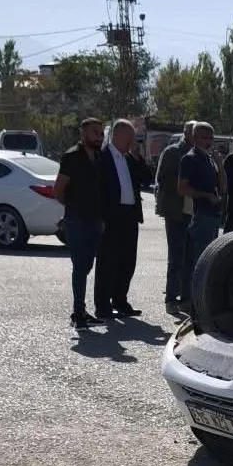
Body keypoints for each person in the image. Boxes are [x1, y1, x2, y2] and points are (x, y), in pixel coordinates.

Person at [53, 117, 106, 329]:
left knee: (86, 265)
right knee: (79, 265)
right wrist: (74, 207)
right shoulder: (71, 157)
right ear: (83, 134)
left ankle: (82, 311)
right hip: (76, 219)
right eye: (95, 132)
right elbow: (58, 191)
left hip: (96, 219)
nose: (99, 137)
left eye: (101, 133)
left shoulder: (100, 157)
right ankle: (78, 312)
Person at [93, 119, 149, 320]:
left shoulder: (129, 159)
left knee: (127, 261)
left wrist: (138, 157)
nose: (132, 142)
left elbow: (147, 178)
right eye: (129, 137)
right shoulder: (103, 157)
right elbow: (97, 190)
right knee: (107, 262)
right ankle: (102, 305)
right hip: (111, 216)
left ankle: (120, 300)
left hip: (130, 216)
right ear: (117, 135)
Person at [155, 121, 196, 315]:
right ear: (186, 133)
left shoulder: (200, 154)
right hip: (176, 212)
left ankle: (186, 299)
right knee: (176, 259)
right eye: (192, 132)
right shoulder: (172, 152)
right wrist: (187, 182)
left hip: (194, 213)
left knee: (191, 258)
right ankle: (171, 299)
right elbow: (163, 179)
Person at [179, 122, 226, 272]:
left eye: (211, 138)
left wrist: (220, 164)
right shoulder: (190, 158)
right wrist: (205, 195)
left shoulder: (210, 159)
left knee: (210, 261)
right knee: (199, 262)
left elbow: (223, 187)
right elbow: (182, 188)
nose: (208, 142)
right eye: (204, 138)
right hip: (200, 215)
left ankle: (201, 293)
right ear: (195, 138)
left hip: (214, 215)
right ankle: (193, 294)